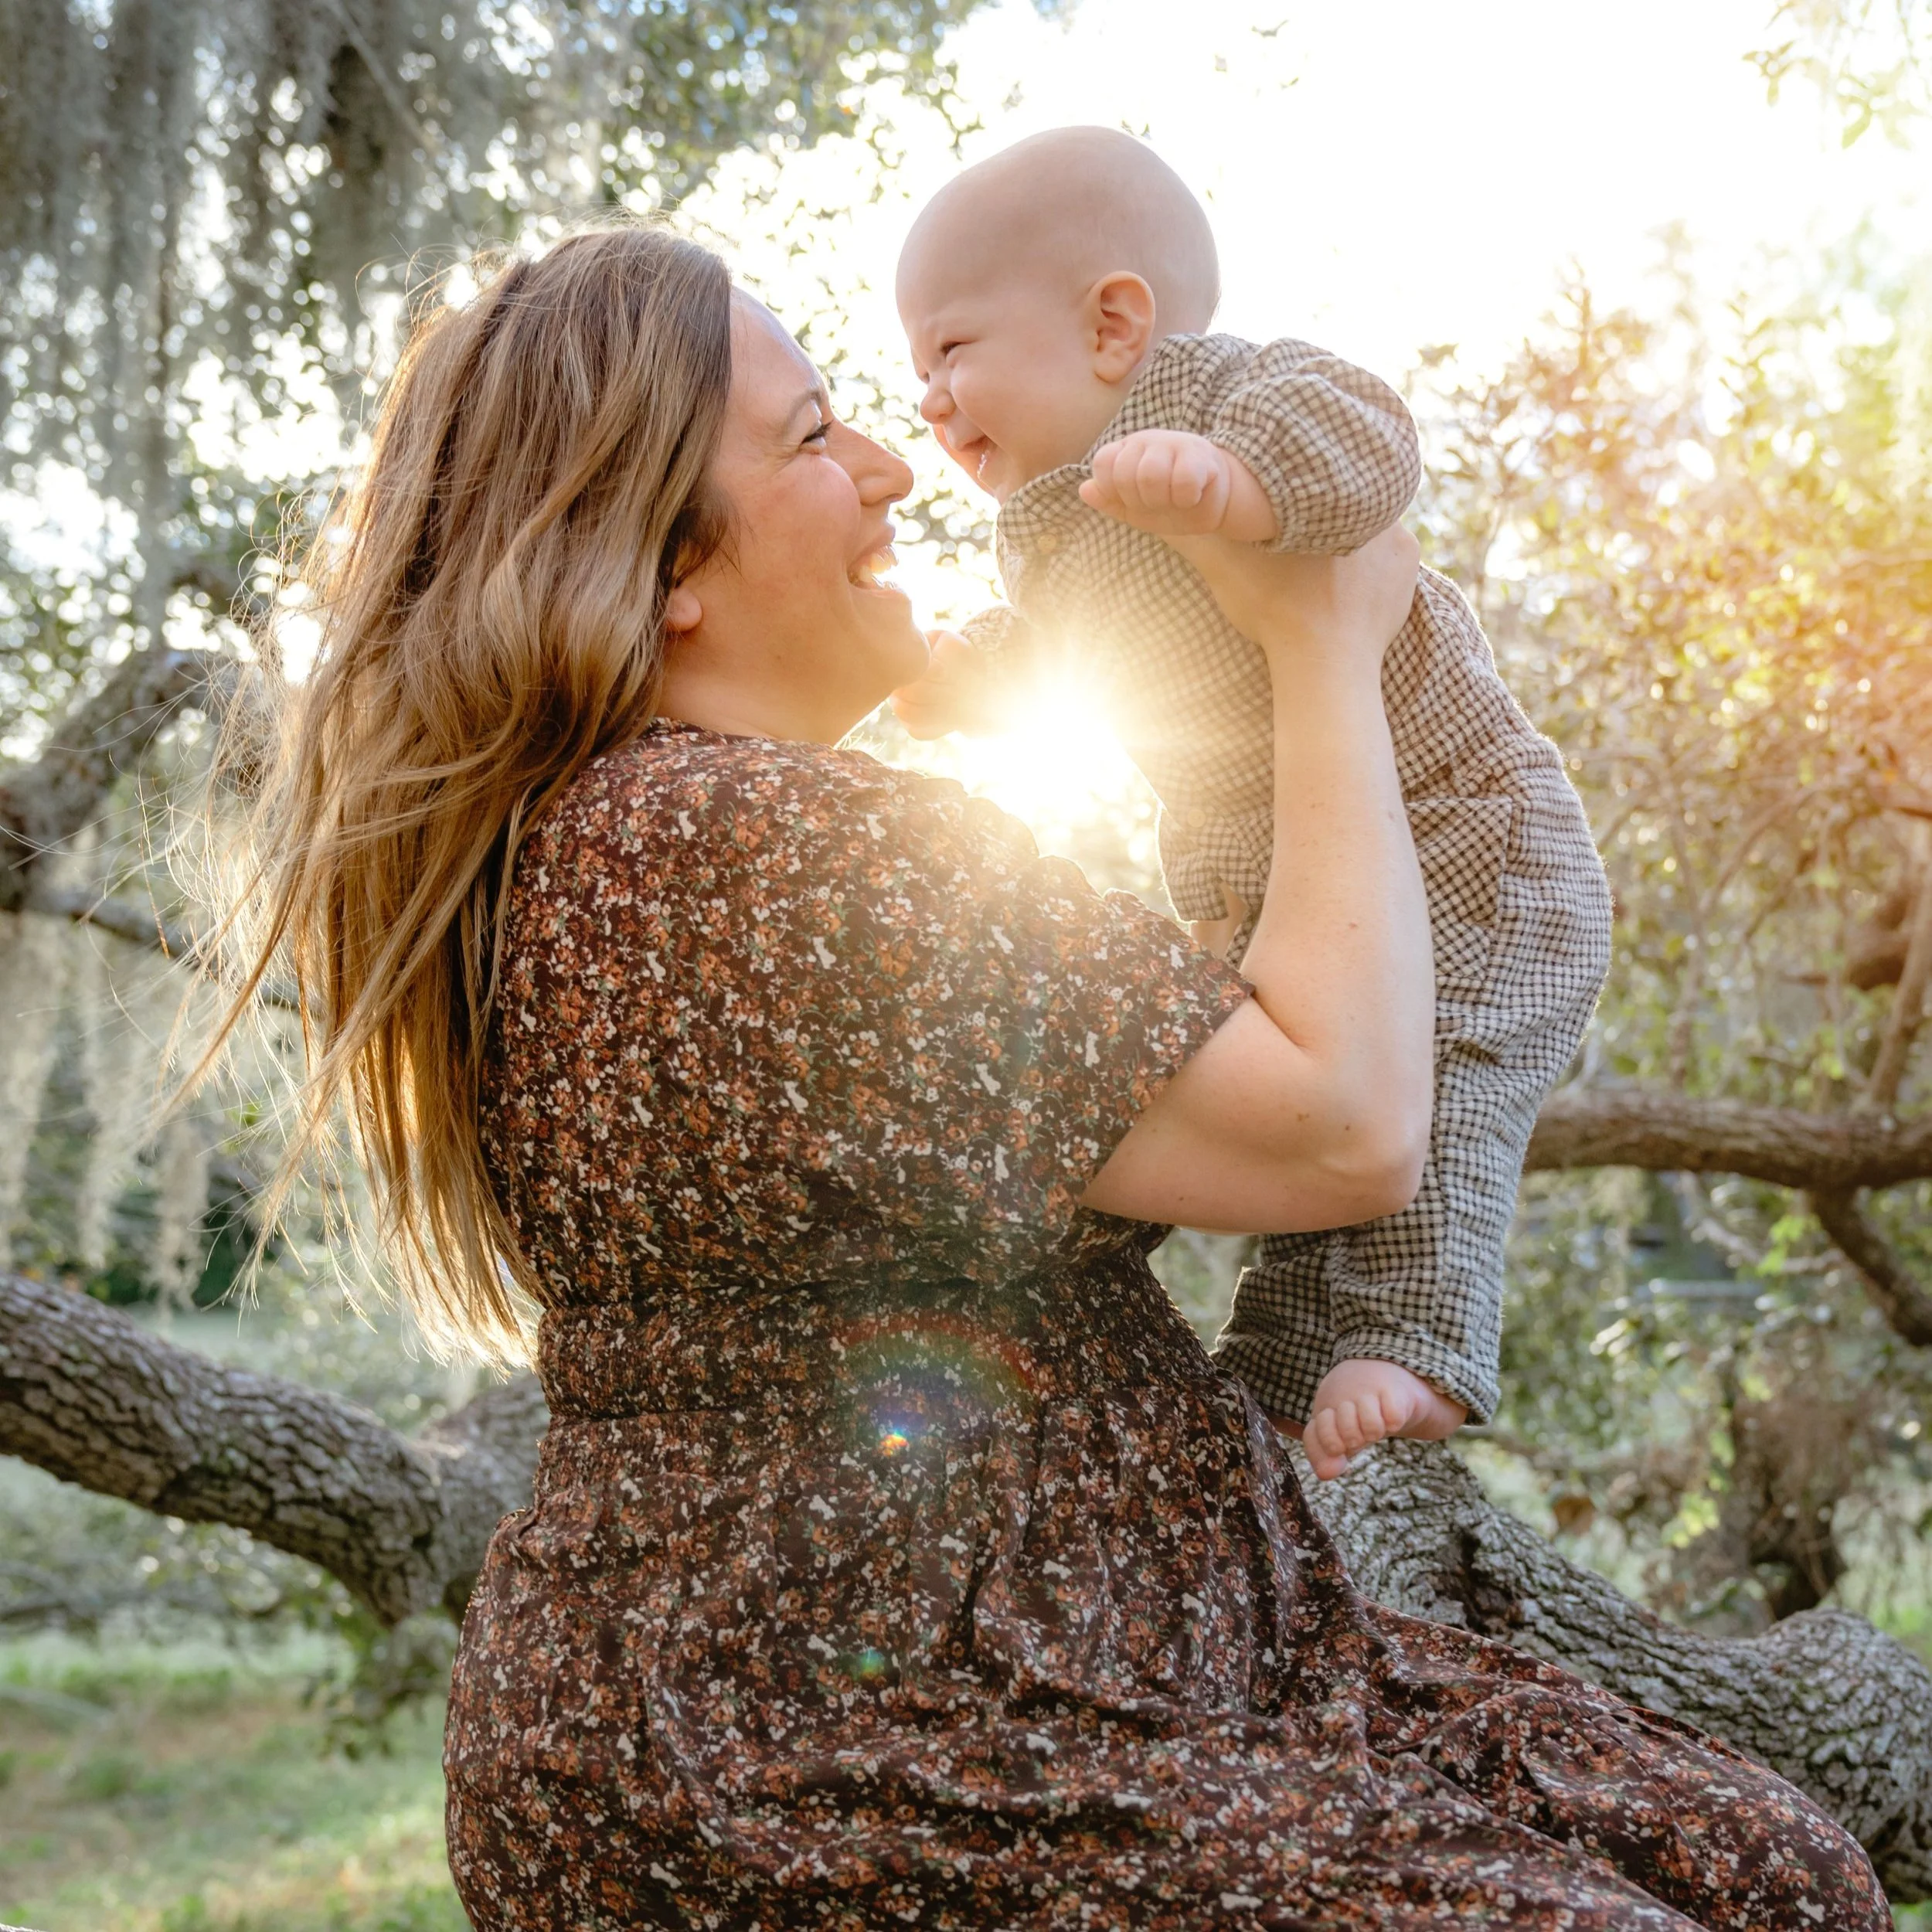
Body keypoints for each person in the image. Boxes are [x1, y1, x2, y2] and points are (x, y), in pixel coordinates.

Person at [216, 223, 1888, 1930]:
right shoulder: (730, 844)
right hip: (865, 1745)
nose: (884, 467)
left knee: (1775, 1863)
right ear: (663, 566)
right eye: (808, 437)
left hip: (1078, 1668)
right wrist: (1316, 634)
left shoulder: (662, 839)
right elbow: (1341, 1125)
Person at [893, 127, 1614, 1477]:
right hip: (1296, 881)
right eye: (916, 373)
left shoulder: (1220, 398)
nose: (928, 399)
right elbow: (1069, 659)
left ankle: (1418, 1342)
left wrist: (1247, 489)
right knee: (1294, 1111)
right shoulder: (1050, 528)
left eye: (950, 349)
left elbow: (1368, 433)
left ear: (1113, 324)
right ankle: (1287, 1382)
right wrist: (961, 678)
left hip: (1472, 834)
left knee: (1439, 1077)